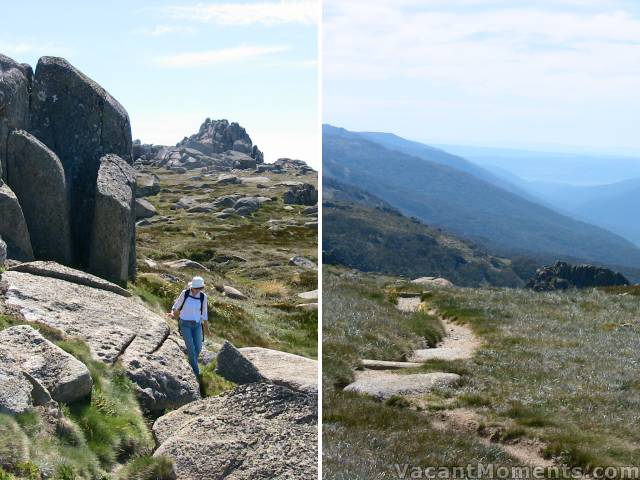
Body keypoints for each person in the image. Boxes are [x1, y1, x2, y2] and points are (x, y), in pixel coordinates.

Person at [168, 276, 210, 376]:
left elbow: (204, 314)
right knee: (191, 348)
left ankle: (191, 361)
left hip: (197, 325)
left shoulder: (203, 297)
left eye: (200, 288)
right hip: (185, 324)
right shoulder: (185, 293)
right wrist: (173, 314)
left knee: (198, 348)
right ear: (192, 287)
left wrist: (207, 329)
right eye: (196, 288)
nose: (197, 290)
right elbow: (176, 305)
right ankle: (196, 373)